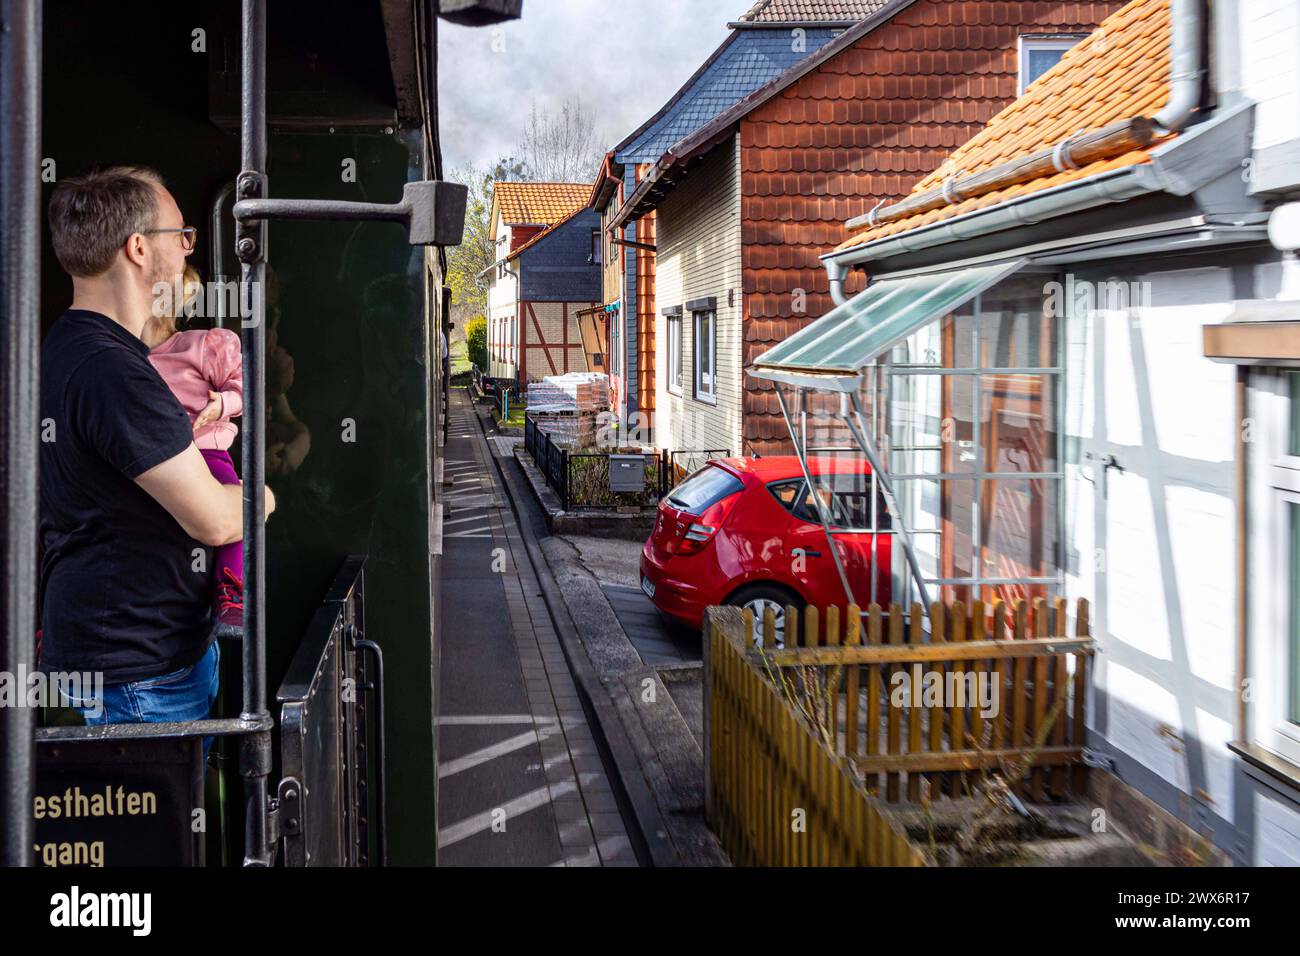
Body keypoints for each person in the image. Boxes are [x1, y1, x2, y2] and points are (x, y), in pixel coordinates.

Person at [39, 165, 275, 738]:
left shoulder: (71, 347)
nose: (188, 246)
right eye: (181, 234)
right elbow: (217, 519)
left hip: (133, 659)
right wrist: (262, 495)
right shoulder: (113, 371)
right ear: (139, 248)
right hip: (135, 676)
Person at [144, 266, 245, 640]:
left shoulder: (204, 345)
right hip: (159, 459)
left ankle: (231, 589)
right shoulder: (125, 358)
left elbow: (243, 385)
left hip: (205, 451)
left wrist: (222, 404)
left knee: (232, 504)